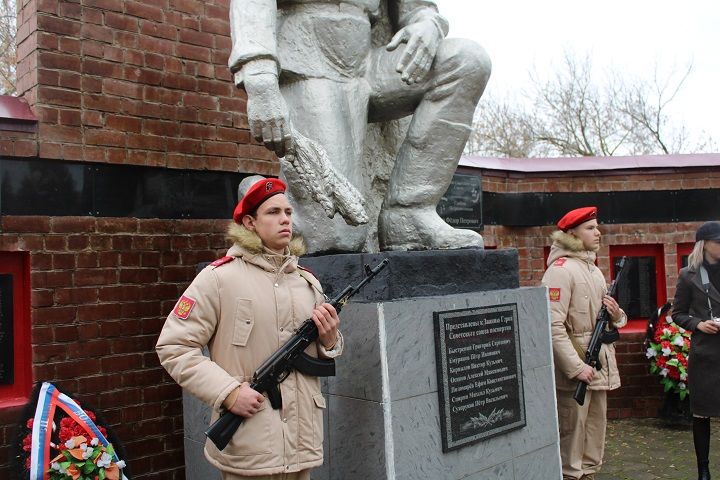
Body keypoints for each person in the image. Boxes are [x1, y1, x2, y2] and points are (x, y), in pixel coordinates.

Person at [228, 0, 491, 253]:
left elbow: (417, 8)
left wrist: (428, 24)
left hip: (369, 61)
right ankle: (261, 199)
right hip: (309, 60)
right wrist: (260, 79)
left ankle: (408, 214)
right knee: (337, 232)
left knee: (467, 61)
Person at [156, 176, 343, 479]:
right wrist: (228, 392)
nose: (285, 219)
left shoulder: (307, 282)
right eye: (273, 212)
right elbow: (174, 347)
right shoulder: (218, 279)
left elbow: (323, 354)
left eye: (288, 212)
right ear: (250, 222)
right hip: (250, 442)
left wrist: (330, 340)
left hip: (302, 443)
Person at [541, 206, 627, 480]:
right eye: (590, 228)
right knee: (572, 438)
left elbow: (609, 318)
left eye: (597, 226)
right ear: (571, 233)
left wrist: (617, 315)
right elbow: (552, 325)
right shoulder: (560, 271)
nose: (598, 232)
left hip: (598, 364)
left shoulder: (593, 270)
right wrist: (576, 368)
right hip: (578, 367)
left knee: (593, 435)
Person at [672, 220, 720, 480]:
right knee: (702, 414)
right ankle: (703, 469)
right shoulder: (688, 274)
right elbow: (677, 314)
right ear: (705, 245)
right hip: (706, 354)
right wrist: (699, 324)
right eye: (719, 242)